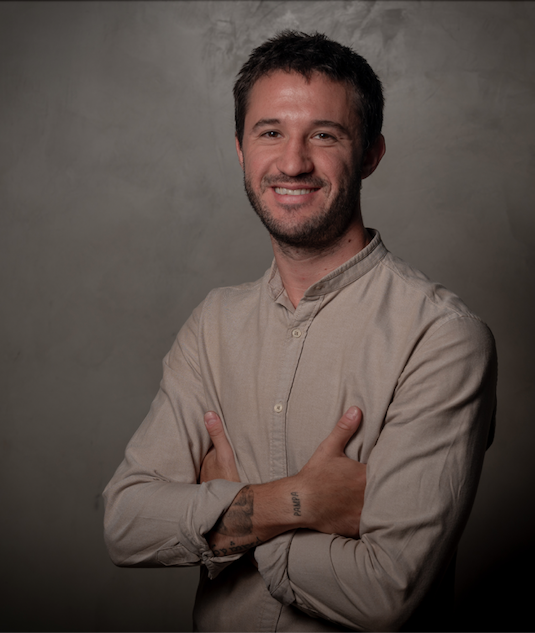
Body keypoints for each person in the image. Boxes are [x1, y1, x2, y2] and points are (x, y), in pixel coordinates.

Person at [103, 31, 497, 632]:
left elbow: (384, 593)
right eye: (270, 133)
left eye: (324, 135)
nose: (292, 163)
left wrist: (227, 512)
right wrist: (299, 502)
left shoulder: (442, 337)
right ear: (240, 149)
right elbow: (126, 523)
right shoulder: (213, 324)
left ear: (370, 154)